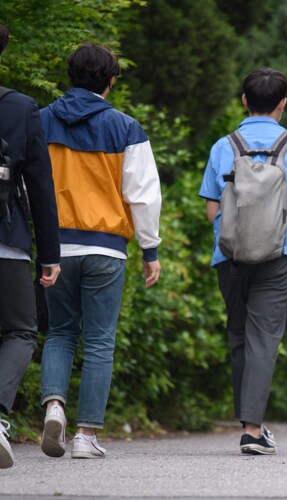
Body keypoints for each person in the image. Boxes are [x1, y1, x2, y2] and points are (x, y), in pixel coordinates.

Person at [38, 43, 162, 460]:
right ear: (111, 82)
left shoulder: (41, 121)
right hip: (107, 250)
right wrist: (150, 249)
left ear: (69, 74)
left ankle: (53, 405)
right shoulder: (125, 127)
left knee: (59, 332)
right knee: (99, 341)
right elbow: (143, 195)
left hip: (56, 247)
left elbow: (26, 185)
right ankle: (85, 436)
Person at [199, 67, 287, 455]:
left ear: (244, 101)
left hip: (231, 254)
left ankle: (249, 423)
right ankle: (252, 430)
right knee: (264, 339)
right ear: (283, 104)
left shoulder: (225, 145)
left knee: (239, 334)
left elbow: (210, 210)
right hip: (280, 253)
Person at [0, 24, 61, 469]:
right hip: (7, 240)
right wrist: (50, 254)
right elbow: (40, 185)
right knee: (20, 331)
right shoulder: (20, 108)